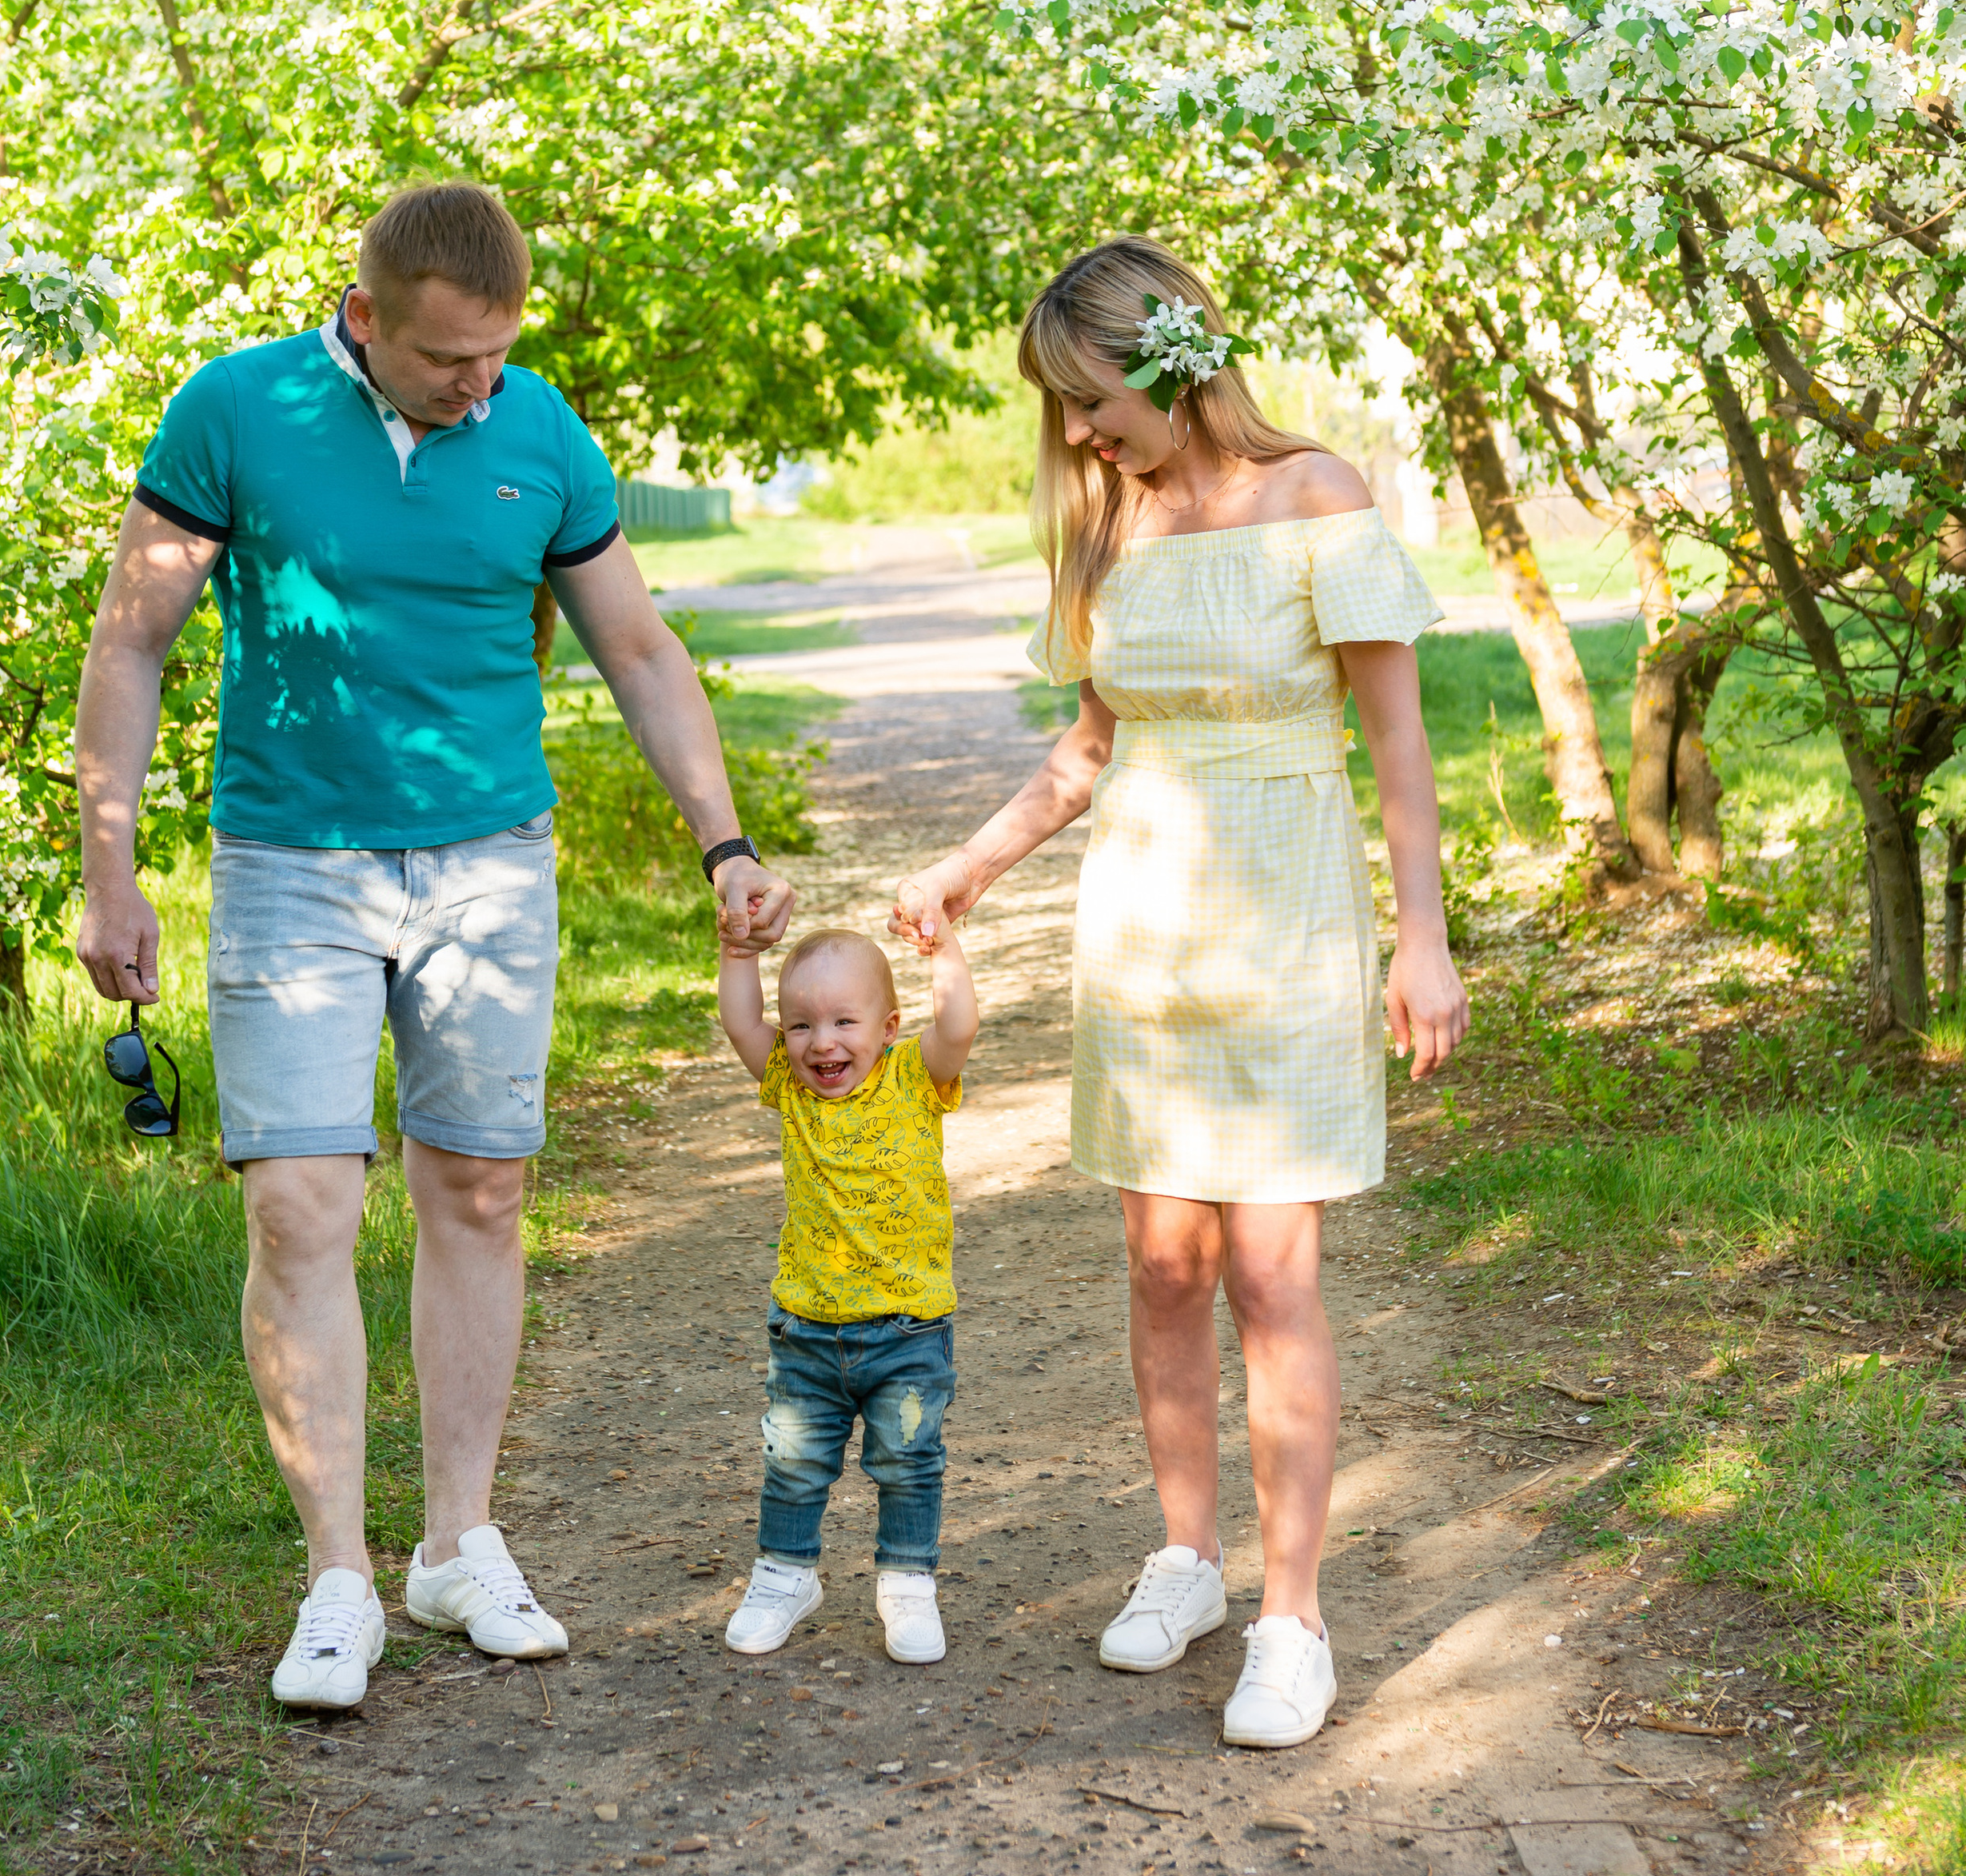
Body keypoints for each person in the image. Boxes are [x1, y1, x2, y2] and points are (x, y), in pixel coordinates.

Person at [73, 182, 793, 1710]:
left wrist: (723, 836)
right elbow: (132, 637)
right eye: (449, 360)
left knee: (477, 1181)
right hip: (290, 867)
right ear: (367, 317)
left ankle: (459, 1539)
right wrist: (110, 867)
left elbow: (643, 651)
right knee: (301, 1208)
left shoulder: (541, 434)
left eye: (499, 354)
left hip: (489, 864)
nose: (481, 384)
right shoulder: (237, 410)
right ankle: (337, 1570)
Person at [891, 236, 1468, 1750]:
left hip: (1287, 916)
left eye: (1090, 399)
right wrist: (966, 870)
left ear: (1169, 360)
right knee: (1161, 1266)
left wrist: (1425, 935)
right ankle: (1186, 1557)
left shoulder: (1318, 497)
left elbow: (1396, 745)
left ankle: (1294, 1616)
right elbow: (1086, 752)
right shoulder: (1112, 528)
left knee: (1274, 1273)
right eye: (1063, 411)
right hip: (1145, 923)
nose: (1078, 434)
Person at [715, 922, 979, 1665]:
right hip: (807, 1326)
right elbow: (740, 1019)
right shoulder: (789, 1088)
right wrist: (739, 951)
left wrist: (942, 947)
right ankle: (785, 1574)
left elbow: (958, 1024)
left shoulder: (913, 1076)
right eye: (800, 1024)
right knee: (793, 1461)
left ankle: (906, 1580)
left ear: (889, 1028)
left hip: (909, 1327)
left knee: (907, 1460)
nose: (820, 1043)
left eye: (842, 1022)